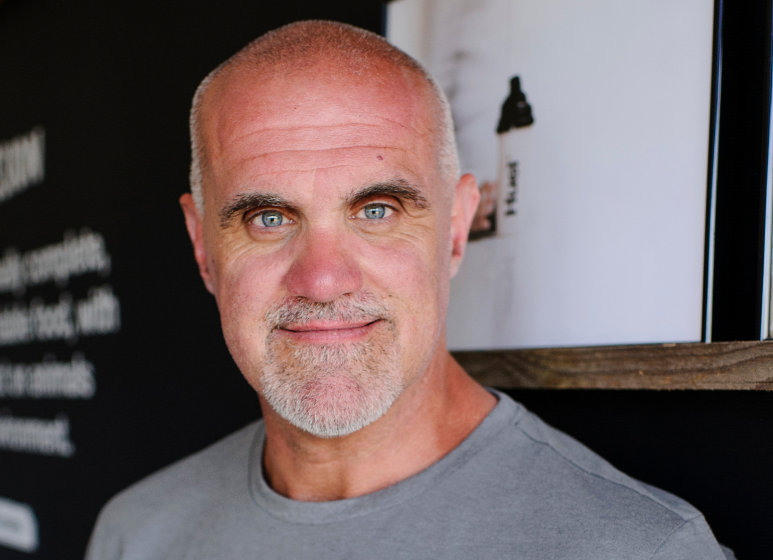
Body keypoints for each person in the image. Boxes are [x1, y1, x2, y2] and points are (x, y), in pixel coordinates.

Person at [85, 21, 731, 560]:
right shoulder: (137, 533)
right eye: (269, 218)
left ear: (455, 229)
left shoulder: (640, 549)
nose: (323, 278)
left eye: (377, 210)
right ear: (203, 248)